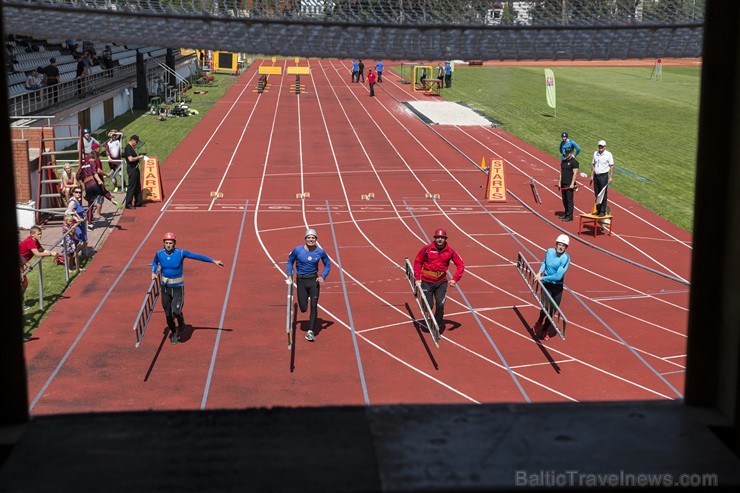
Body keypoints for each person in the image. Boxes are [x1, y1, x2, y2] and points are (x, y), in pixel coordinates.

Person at [151, 232, 224, 344]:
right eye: (166, 243)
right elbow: (154, 263)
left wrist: (213, 261)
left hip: (177, 288)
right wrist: (153, 272)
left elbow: (197, 256)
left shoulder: (181, 253)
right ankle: (174, 332)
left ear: (174, 243)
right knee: (168, 315)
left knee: (176, 311)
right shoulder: (159, 254)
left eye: (171, 243)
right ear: (163, 243)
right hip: (165, 288)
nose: (168, 245)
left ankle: (181, 320)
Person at [413, 228, 465, 333]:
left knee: (440, 304)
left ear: (445, 239)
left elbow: (460, 265)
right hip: (426, 282)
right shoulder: (427, 249)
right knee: (429, 306)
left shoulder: (450, 251)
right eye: (438, 237)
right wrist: (417, 278)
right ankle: (427, 312)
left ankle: (438, 323)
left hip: (441, 282)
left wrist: (455, 279)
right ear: (435, 238)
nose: (440, 239)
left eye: (442, 238)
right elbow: (418, 262)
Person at [285, 229, 331, 342]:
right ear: (305, 239)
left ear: (316, 239)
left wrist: (323, 276)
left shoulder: (320, 252)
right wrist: (289, 275)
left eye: (313, 238)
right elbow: (290, 262)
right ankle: (306, 300)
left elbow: (328, 264)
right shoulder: (297, 250)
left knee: (314, 305)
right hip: (301, 280)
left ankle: (311, 331)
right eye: (309, 238)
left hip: (313, 280)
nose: (311, 240)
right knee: (303, 308)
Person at [532, 234, 571, 341]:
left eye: (563, 246)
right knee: (546, 306)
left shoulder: (565, 258)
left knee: (553, 310)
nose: (561, 247)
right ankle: (539, 322)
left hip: (557, 286)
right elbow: (545, 263)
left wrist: (543, 278)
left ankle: (545, 329)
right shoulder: (549, 251)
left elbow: (558, 276)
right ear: (556, 244)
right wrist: (540, 272)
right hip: (547, 285)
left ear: (566, 247)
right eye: (559, 244)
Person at [19, 226, 59, 311]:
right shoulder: (30, 241)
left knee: (24, 284)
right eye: (39, 234)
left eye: (41, 234)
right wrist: (50, 254)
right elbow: (37, 254)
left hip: (21, 263)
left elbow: (41, 249)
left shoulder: (35, 241)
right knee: (23, 283)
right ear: (32, 234)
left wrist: (50, 252)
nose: (40, 236)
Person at [591, 139, 614, 217]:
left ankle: (603, 211)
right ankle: (598, 209)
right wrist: (591, 175)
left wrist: (610, 177)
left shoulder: (608, 154)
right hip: (596, 176)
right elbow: (593, 164)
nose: (600, 147)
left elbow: (612, 166)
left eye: (602, 146)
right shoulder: (595, 153)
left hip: (603, 176)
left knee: (603, 194)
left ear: (605, 147)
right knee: (597, 194)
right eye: (599, 146)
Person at [123, 135, 145, 209]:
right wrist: (139, 157)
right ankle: (128, 203)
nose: (137, 143)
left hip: (135, 168)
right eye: (136, 141)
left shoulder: (132, 147)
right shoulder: (128, 148)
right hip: (132, 169)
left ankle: (138, 202)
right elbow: (130, 159)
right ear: (132, 140)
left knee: (137, 185)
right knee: (132, 186)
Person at [560, 149, 579, 222]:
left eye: (567, 154)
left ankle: (570, 216)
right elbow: (561, 172)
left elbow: (575, 173)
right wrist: (559, 182)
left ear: (571, 153)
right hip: (563, 183)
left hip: (569, 184)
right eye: (565, 154)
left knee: (569, 200)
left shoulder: (574, 162)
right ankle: (566, 213)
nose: (566, 155)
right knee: (564, 200)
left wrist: (572, 184)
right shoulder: (564, 161)